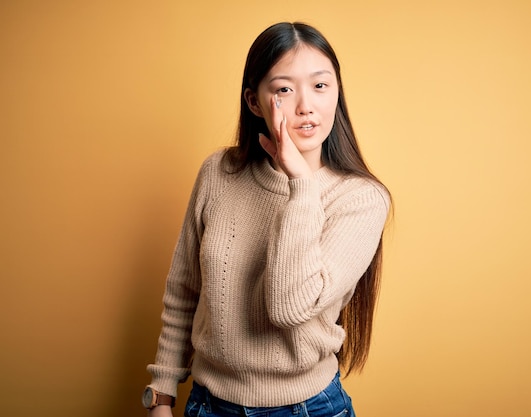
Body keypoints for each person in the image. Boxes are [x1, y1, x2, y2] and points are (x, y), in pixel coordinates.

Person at [142, 21, 391, 417]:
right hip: (209, 404)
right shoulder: (218, 172)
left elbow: (287, 308)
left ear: (337, 93)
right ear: (254, 102)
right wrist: (162, 394)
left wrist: (301, 184)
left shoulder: (360, 199)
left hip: (309, 408)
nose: (305, 105)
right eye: (283, 89)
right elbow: (184, 290)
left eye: (320, 85)